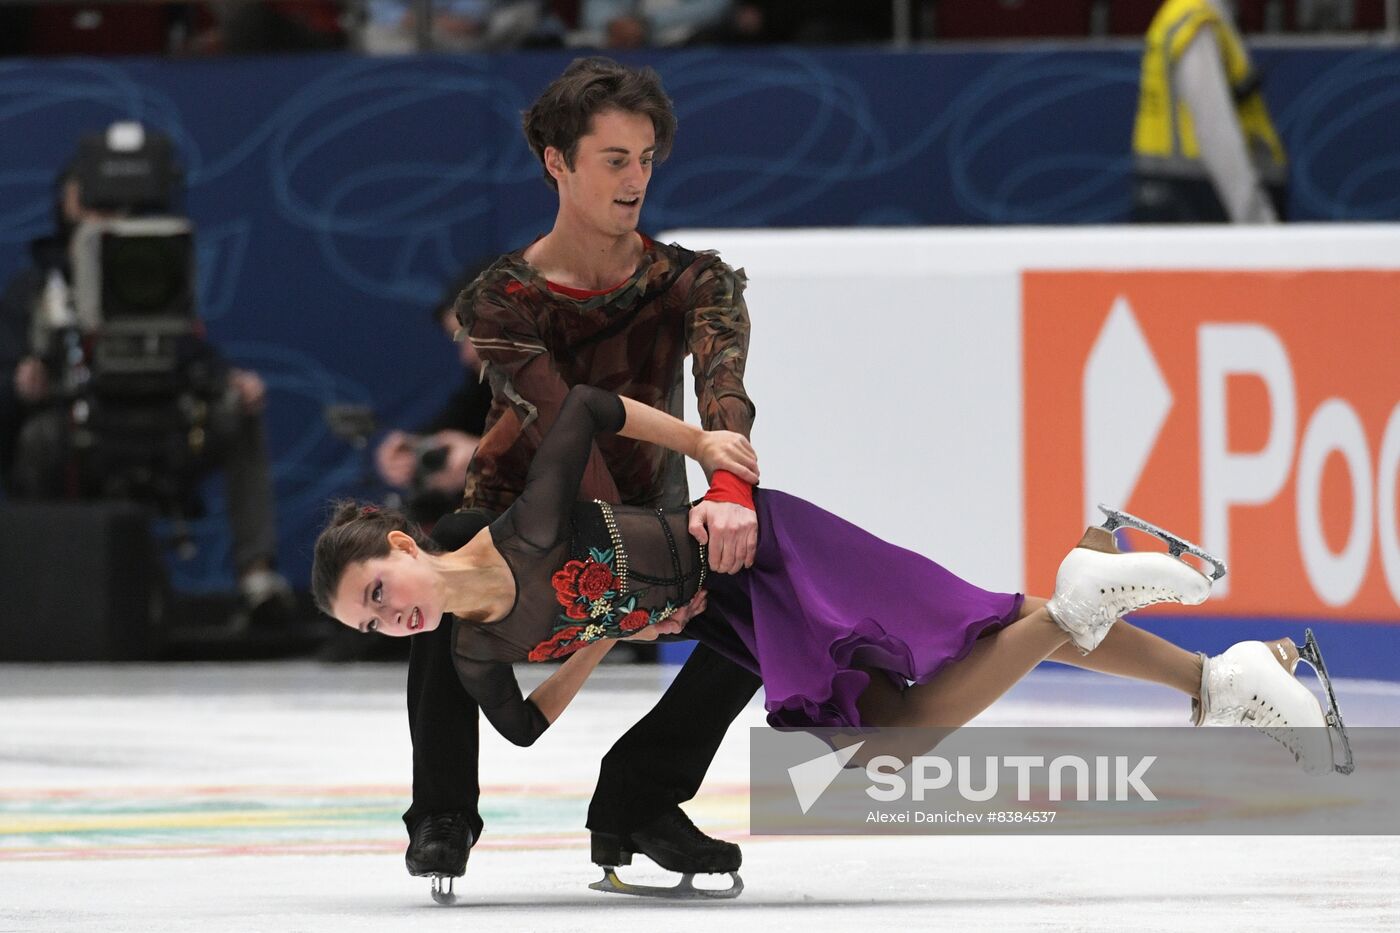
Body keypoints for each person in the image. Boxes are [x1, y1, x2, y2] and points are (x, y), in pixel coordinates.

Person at [313, 385, 1348, 795]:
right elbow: (523, 728)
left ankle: (1147, 625)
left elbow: (585, 407)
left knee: (923, 694)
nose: (390, 616)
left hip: (758, 555)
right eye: (371, 619)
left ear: (403, 542)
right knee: (928, 692)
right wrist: (602, 633)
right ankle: (1213, 670)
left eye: (378, 587)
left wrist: (703, 446)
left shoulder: (519, 526)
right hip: (728, 619)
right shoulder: (472, 651)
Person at [394, 56, 764, 899]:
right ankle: (442, 811)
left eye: (647, 159)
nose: (636, 180)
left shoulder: (693, 280)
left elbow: (724, 394)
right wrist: (636, 580)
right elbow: (567, 424)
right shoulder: (501, 298)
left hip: (647, 520)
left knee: (768, 588)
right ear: (557, 161)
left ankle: (640, 793)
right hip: (516, 528)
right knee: (446, 553)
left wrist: (727, 497)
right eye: (614, 159)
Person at [0, 153, 294, 621]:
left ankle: (257, 577)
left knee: (237, 409)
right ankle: (35, 590)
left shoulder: (158, 265)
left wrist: (230, 380)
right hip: (80, 428)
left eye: (110, 202)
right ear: (65, 203)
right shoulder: (36, 286)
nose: (101, 210)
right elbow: (11, 373)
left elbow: (192, 349)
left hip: (168, 424)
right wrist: (23, 383)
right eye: (89, 198)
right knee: (35, 441)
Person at [1131, 0, 1288, 223]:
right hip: (1200, 199)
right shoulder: (1196, 22)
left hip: (1174, 193)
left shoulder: (1181, 16)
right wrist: (1256, 220)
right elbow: (1215, 128)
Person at [373, 267, 494, 527]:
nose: (467, 355)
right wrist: (413, 447)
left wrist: (490, 460)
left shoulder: (574, 368)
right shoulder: (488, 379)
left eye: (473, 335)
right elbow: (460, 417)